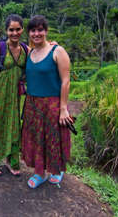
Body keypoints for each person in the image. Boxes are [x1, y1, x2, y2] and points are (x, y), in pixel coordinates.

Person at [21, 15, 73, 188]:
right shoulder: (29, 52)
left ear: (46, 31)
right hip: (32, 104)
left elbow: (66, 81)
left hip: (52, 103)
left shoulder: (57, 51)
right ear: (29, 33)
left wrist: (64, 108)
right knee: (36, 138)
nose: (37, 33)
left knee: (53, 137)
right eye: (33, 30)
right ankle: (39, 172)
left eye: (40, 30)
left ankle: (56, 170)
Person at [0, 14, 27, 176]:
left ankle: (11, 161)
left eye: (17, 29)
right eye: (11, 30)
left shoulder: (25, 49)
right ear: (6, 30)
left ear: (22, 29)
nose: (14, 33)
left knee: (14, 126)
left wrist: (53, 44)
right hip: (0, 93)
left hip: (15, 96)